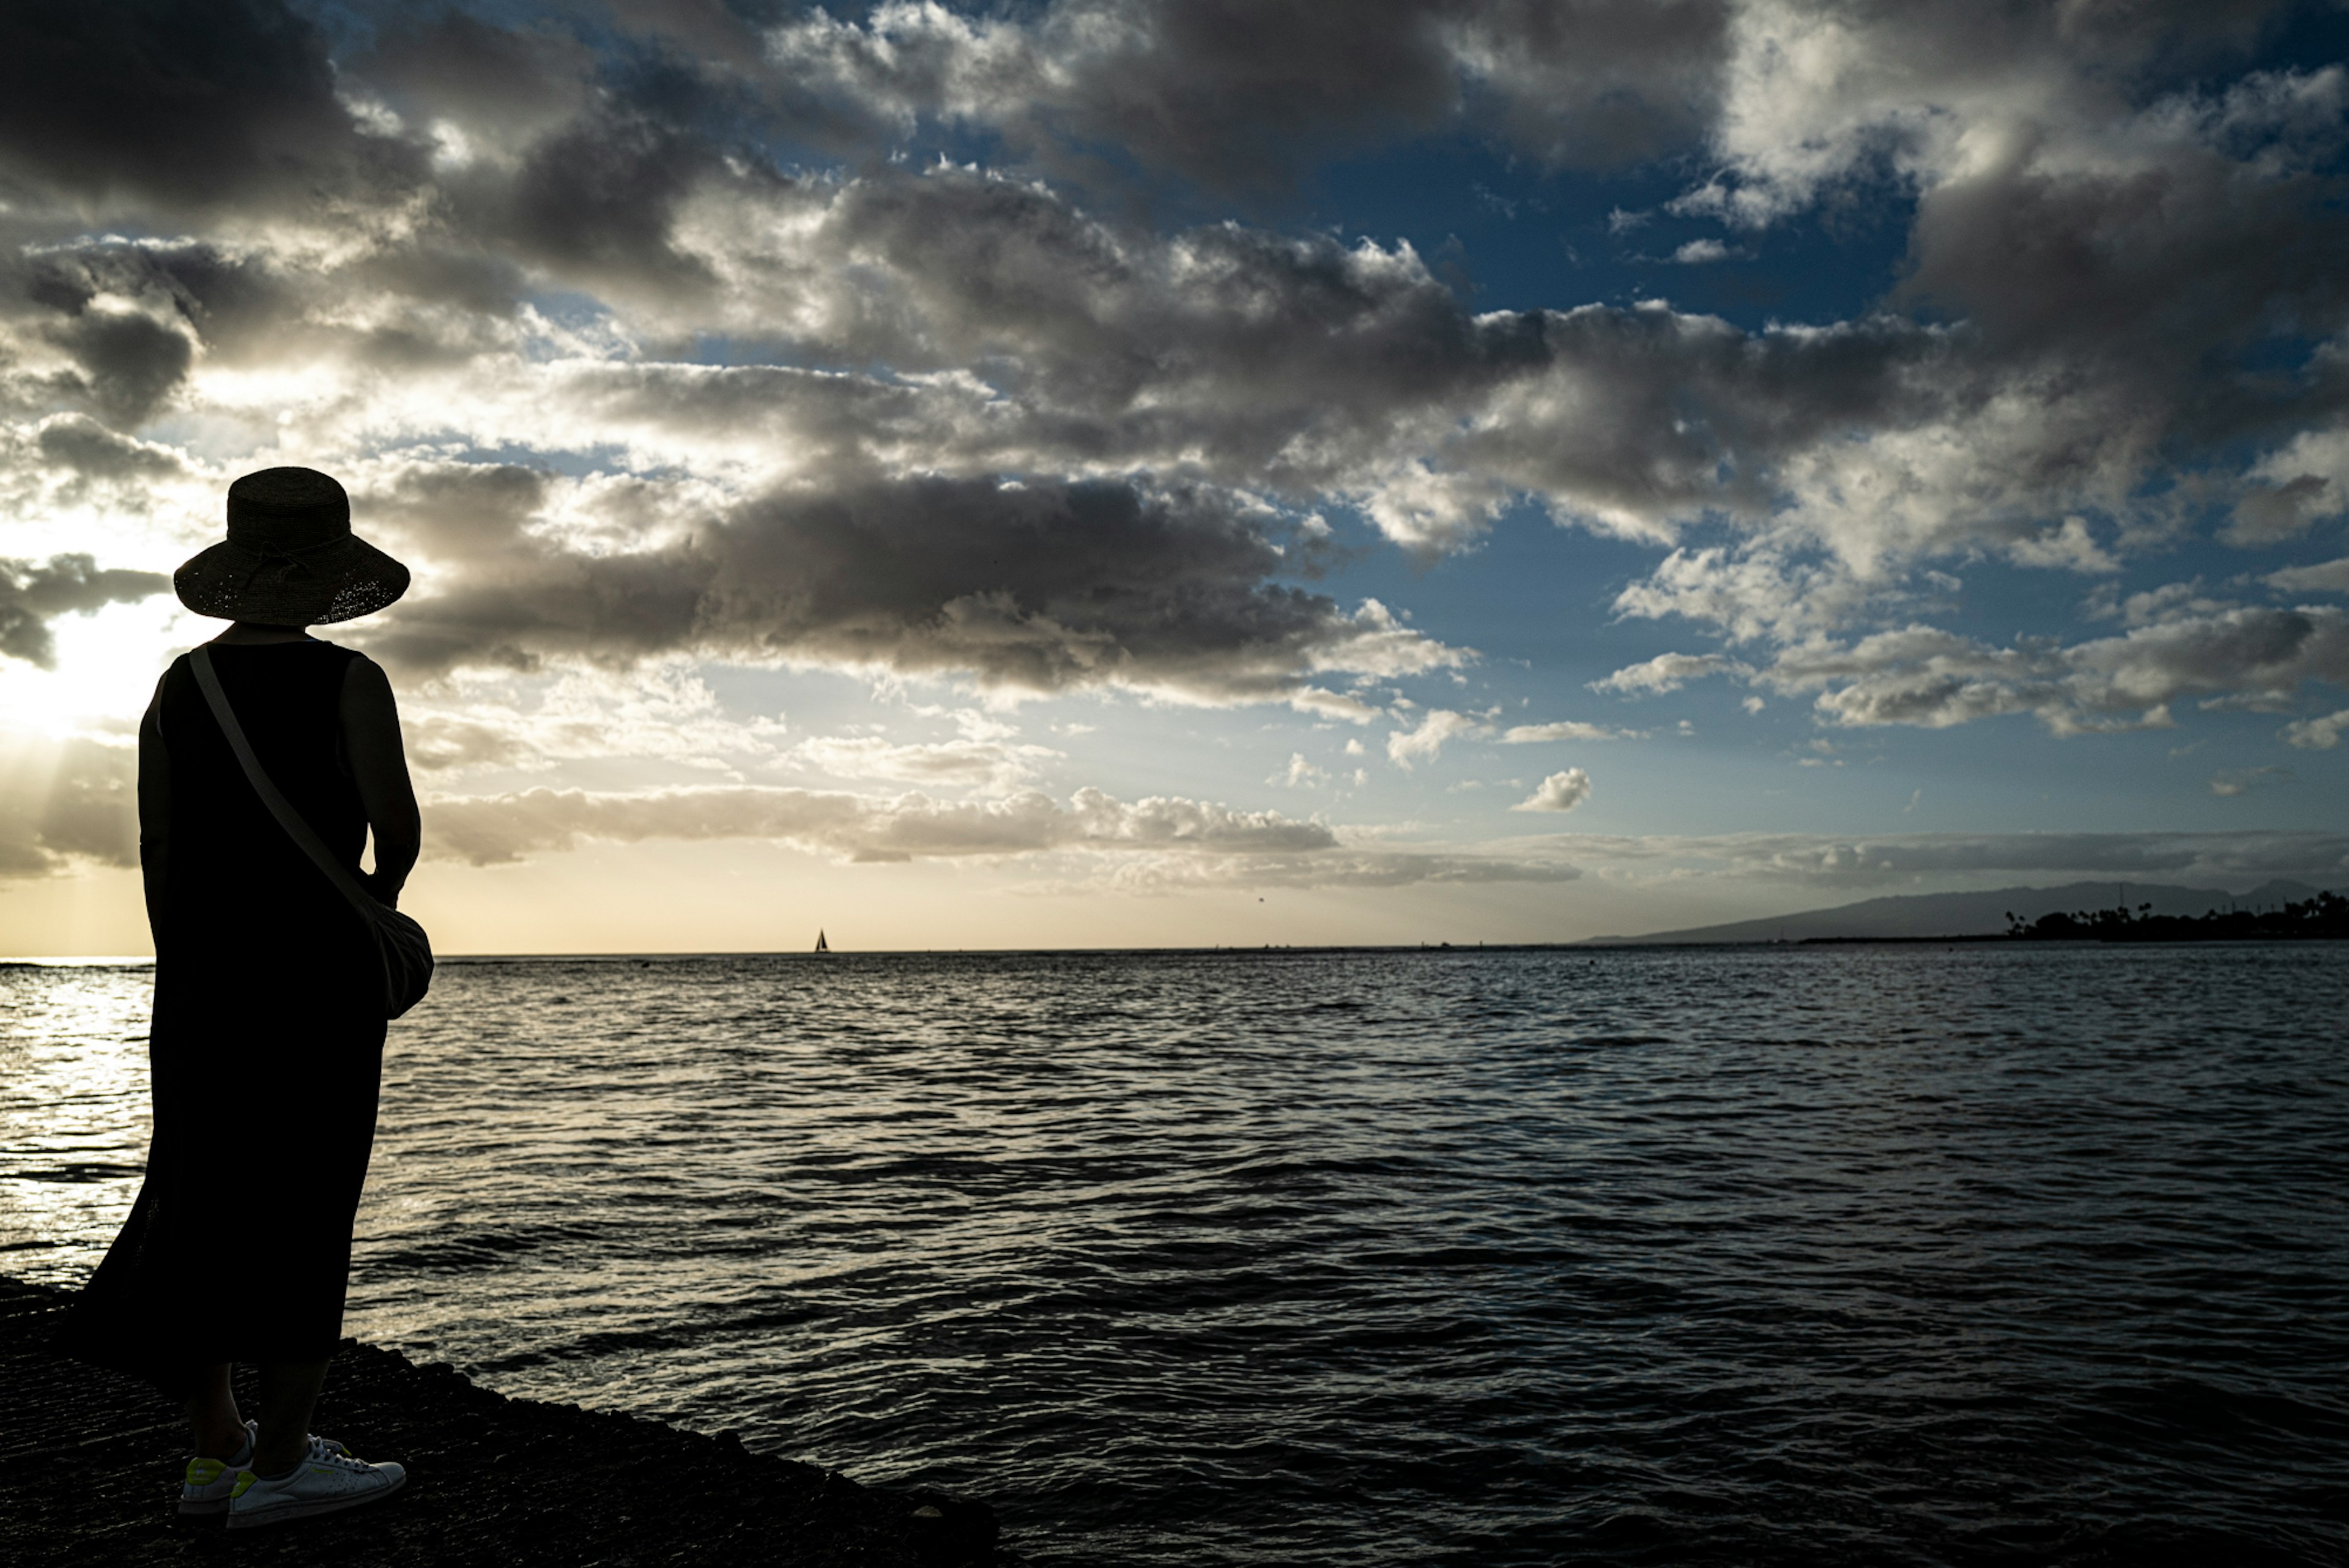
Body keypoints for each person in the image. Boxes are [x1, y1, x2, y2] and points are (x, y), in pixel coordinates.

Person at [58, 466, 420, 1528]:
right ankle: (286, 1465)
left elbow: (157, 844)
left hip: (203, 977)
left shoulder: (177, 688)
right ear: (325, 578)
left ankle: (215, 1447)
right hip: (314, 977)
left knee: (203, 1194)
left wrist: (188, 955)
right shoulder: (351, 680)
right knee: (310, 1199)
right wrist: (375, 906)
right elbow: (394, 824)